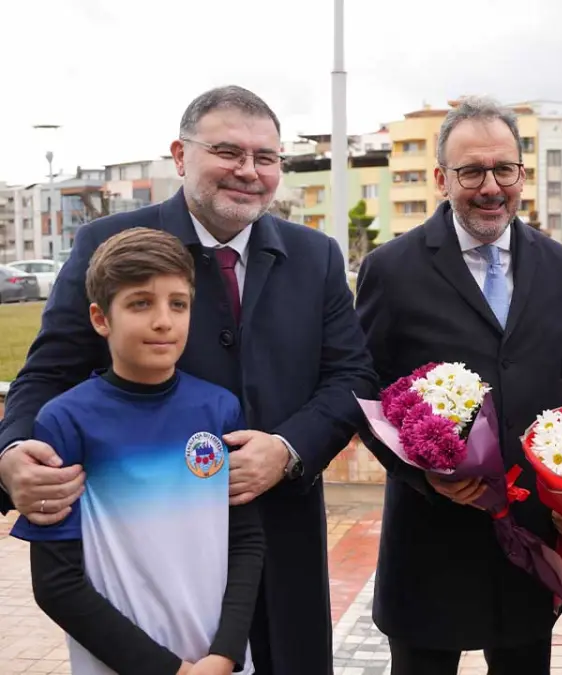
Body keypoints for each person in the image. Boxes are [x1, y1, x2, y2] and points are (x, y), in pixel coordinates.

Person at [0, 86, 376, 675]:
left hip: (279, 545)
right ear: (180, 155)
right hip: (150, 564)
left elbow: (352, 375)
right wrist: (14, 450)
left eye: (266, 158)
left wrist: (286, 448)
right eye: (228, 152)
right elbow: (49, 370)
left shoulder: (317, 255)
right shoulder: (108, 245)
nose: (248, 172)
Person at [355, 95, 562, 675]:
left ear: (521, 172)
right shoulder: (393, 268)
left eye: (504, 169)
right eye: (471, 171)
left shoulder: (553, 261)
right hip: (431, 535)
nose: (491, 187)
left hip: (527, 535)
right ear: (441, 178)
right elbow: (362, 390)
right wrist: (427, 477)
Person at [10, 228, 265, 675]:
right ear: (101, 318)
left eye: (178, 304)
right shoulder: (65, 421)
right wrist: (172, 670)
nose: (163, 320)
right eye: (140, 303)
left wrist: (224, 654)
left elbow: (244, 539)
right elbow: (57, 584)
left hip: (217, 663)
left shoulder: (219, 408)